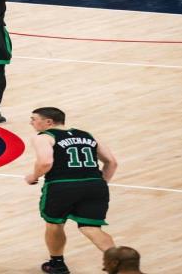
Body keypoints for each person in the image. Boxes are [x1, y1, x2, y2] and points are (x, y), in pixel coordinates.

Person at [25, 107, 118, 273]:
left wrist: (34, 176)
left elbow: (45, 162)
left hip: (62, 185)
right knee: (91, 228)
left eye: (34, 119)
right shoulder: (88, 135)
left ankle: (57, 264)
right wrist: (101, 184)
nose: (31, 122)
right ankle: (122, 265)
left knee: (55, 223)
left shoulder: (44, 137)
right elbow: (111, 162)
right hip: (95, 185)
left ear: (48, 122)